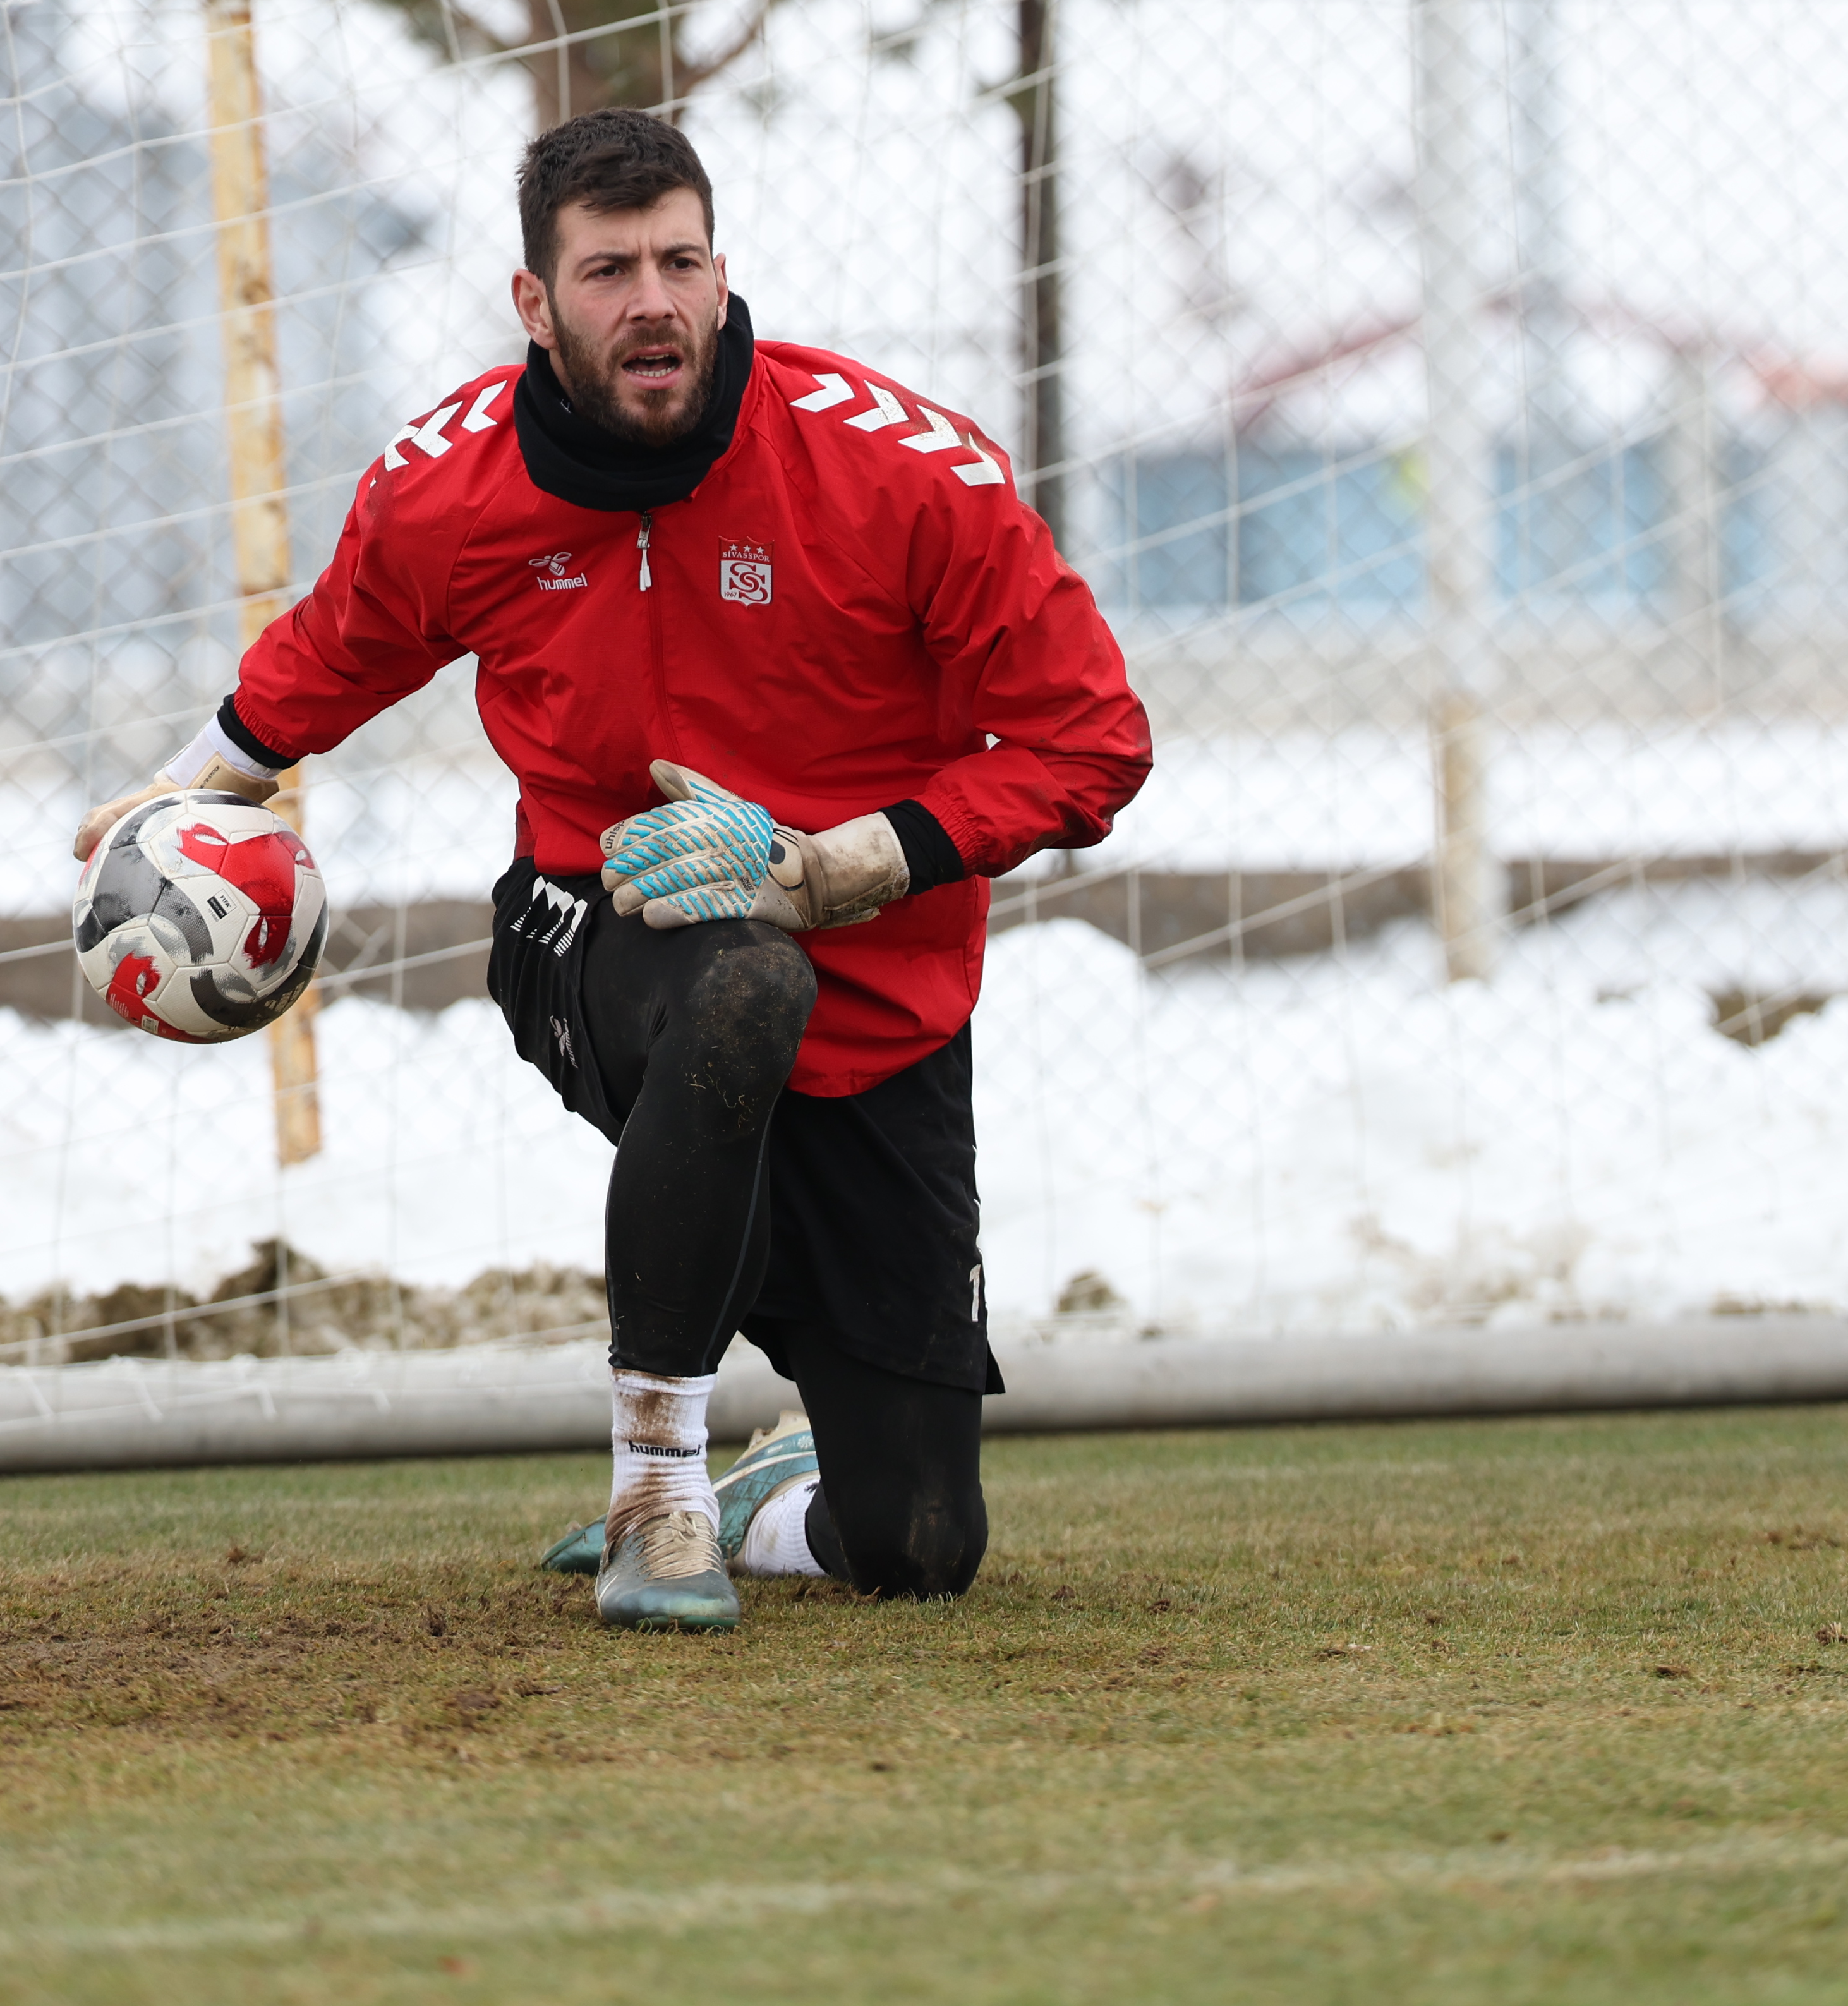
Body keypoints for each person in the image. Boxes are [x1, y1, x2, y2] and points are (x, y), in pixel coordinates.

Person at [73, 109, 1151, 1631]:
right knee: (738, 985)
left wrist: (841, 863)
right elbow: (341, 645)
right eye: (606, 270)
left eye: (679, 260)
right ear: (536, 301)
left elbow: (1094, 737)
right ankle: (659, 1487)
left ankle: (771, 1487)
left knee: (918, 1540)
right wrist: (194, 790)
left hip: (888, 1002)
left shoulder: (900, 472)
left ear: (720, 276)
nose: (651, 297)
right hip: (601, 935)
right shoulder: (450, 483)